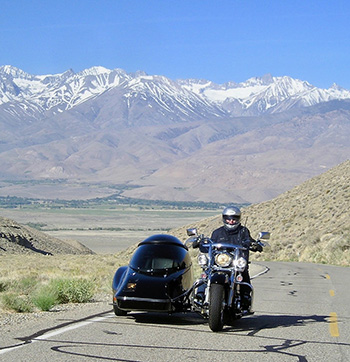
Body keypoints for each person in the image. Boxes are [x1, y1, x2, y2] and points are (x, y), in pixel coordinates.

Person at [211, 205, 262, 311]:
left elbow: (249, 240)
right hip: (220, 262)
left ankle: (245, 299)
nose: (231, 221)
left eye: (234, 219)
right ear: (224, 219)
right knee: (207, 275)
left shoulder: (243, 231)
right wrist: (201, 243)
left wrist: (255, 244)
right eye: (228, 219)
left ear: (238, 219)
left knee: (243, 276)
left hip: (236, 263)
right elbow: (210, 243)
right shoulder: (217, 232)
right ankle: (201, 296)